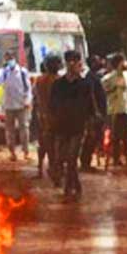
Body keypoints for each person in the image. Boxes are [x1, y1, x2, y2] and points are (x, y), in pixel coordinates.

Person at [50, 50, 95, 200]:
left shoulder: (85, 85)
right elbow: (52, 106)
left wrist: (92, 124)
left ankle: (68, 190)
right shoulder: (58, 84)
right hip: (61, 127)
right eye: (71, 61)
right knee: (61, 159)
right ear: (67, 63)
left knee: (71, 159)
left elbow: (91, 106)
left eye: (76, 61)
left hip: (78, 127)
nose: (73, 64)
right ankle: (76, 185)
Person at [0, 50, 32, 161]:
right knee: (9, 130)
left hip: (21, 104)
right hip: (9, 105)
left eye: (10, 58)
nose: (9, 60)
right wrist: (3, 71)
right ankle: (12, 152)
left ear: (14, 59)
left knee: (24, 129)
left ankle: (26, 151)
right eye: (7, 58)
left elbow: (28, 88)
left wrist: (28, 101)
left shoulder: (22, 72)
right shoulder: (5, 72)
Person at [101, 53, 127, 166]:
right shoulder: (108, 78)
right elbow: (103, 92)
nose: (124, 64)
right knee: (115, 136)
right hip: (114, 110)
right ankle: (116, 158)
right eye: (122, 62)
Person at [34, 53, 63, 180]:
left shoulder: (40, 80)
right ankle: (56, 170)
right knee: (58, 146)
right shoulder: (60, 80)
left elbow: (37, 98)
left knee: (45, 145)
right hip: (59, 117)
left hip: (43, 117)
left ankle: (42, 169)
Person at [79, 54, 108, 171]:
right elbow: (91, 96)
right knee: (91, 138)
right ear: (92, 63)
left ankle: (86, 162)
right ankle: (85, 163)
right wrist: (96, 111)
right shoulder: (90, 77)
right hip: (93, 114)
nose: (100, 62)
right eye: (97, 61)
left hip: (97, 112)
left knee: (94, 138)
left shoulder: (94, 76)